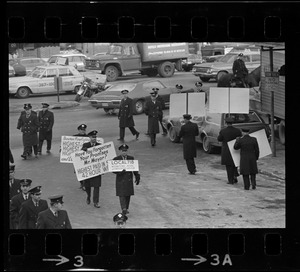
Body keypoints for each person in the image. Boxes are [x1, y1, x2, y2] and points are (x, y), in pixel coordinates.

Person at [112, 144, 141, 215]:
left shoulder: (131, 158)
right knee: (121, 194)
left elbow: (134, 168)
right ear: (120, 151)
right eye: (123, 151)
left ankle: (126, 208)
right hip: (120, 179)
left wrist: (137, 175)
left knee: (128, 195)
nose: (124, 152)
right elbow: (113, 170)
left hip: (128, 179)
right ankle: (123, 208)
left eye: (125, 151)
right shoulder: (116, 159)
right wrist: (120, 172)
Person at [217, 116, 242, 184]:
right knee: (234, 164)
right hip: (235, 149)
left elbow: (219, 139)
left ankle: (230, 180)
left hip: (227, 150)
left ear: (226, 123)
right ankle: (235, 176)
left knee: (228, 166)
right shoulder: (237, 130)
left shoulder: (223, 131)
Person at [81, 130, 102, 208]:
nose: (94, 139)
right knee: (88, 186)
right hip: (88, 170)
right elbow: (80, 155)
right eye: (93, 137)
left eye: (95, 137)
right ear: (89, 137)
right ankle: (88, 196)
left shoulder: (99, 145)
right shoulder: (85, 145)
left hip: (97, 170)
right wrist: (84, 150)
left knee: (97, 186)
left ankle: (96, 201)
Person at [73, 124, 89, 190]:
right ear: (79, 130)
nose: (83, 131)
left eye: (84, 130)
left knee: (84, 170)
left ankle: (84, 184)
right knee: (77, 171)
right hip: (77, 158)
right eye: (81, 130)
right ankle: (81, 183)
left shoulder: (88, 137)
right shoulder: (74, 137)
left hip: (85, 158)